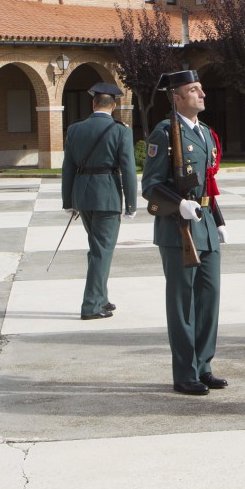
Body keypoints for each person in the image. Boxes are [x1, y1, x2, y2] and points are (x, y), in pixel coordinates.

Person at [142, 70, 227, 395]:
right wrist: (178, 205)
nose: (202, 94)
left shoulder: (204, 133)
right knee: (183, 302)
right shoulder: (165, 133)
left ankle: (203, 365)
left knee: (209, 298)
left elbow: (207, 183)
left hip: (204, 224)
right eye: (194, 90)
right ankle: (185, 372)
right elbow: (150, 185)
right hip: (178, 230)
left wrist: (217, 220)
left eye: (201, 88)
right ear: (177, 97)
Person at [61, 82, 138, 320]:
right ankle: (91, 306)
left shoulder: (75, 129)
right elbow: (128, 169)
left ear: (93, 104)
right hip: (107, 195)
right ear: (113, 106)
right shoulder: (121, 130)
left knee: (97, 248)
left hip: (83, 195)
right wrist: (131, 204)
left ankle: (101, 296)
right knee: (102, 251)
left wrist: (68, 201)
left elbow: (68, 167)